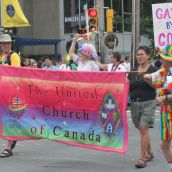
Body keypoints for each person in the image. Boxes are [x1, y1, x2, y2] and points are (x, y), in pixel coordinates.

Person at [127, 46, 158, 168]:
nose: (139, 56)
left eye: (142, 54)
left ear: (148, 55)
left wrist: (145, 76)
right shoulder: (133, 71)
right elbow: (126, 87)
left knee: (144, 128)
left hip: (148, 103)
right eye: (138, 54)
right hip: (134, 104)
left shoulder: (154, 69)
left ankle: (142, 158)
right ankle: (149, 152)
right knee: (141, 130)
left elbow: (156, 86)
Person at [144, 44, 172, 171]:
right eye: (163, 58)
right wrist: (147, 78)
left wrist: (165, 98)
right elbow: (154, 84)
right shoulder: (162, 72)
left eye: (166, 59)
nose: (163, 60)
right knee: (164, 144)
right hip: (165, 112)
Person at [0, 33, 21, 157]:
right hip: (1, 91)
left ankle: (8, 147)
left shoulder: (14, 56)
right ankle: (12, 138)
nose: (5, 45)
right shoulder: (1, 56)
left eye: (7, 43)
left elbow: (16, 73)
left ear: (11, 44)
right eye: (3, 43)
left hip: (11, 92)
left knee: (9, 119)